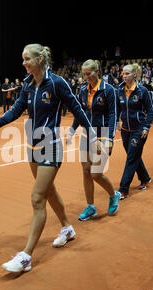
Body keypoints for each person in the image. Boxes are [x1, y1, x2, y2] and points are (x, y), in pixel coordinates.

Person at [0, 43, 97, 273]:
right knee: (49, 191)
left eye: (27, 59)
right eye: (23, 59)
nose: (23, 63)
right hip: (32, 147)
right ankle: (67, 228)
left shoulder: (57, 83)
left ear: (39, 60)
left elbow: (77, 108)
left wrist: (92, 133)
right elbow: (16, 110)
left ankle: (26, 257)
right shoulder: (27, 84)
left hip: (51, 147)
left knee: (37, 198)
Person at [66, 59, 120, 221]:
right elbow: (80, 112)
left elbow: (113, 115)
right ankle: (90, 206)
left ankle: (113, 194)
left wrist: (110, 138)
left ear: (97, 71)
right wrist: (72, 129)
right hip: (86, 134)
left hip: (102, 134)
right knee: (86, 171)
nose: (86, 77)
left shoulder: (108, 90)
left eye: (88, 74)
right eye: (84, 74)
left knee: (96, 173)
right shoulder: (83, 90)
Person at [117, 64, 153, 199]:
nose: (124, 75)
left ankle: (123, 189)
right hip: (125, 130)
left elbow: (150, 111)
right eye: (123, 73)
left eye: (127, 73)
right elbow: (117, 107)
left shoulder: (142, 91)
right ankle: (145, 178)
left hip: (139, 130)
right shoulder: (120, 89)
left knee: (131, 158)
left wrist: (146, 127)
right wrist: (117, 121)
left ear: (134, 75)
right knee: (134, 156)